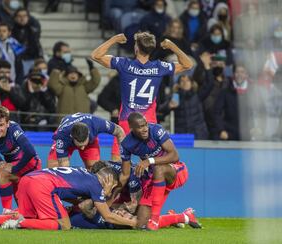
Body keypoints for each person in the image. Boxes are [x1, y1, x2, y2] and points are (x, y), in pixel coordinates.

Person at [90, 31, 193, 161]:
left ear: (136, 48)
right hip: (148, 124)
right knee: (148, 163)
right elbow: (188, 64)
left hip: (127, 121)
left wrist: (114, 39)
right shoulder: (159, 67)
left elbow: (95, 55)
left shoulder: (124, 64)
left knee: (117, 162)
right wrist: (173, 46)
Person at [0, 166, 137, 230]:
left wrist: (76, 204)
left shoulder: (82, 173)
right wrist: (133, 224)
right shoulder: (96, 184)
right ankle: (18, 224)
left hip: (28, 180)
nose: (109, 190)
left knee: (31, 219)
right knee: (64, 225)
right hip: (44, 186)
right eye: (112, 186)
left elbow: (70, 193)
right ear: (107, 179)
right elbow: (108, 216)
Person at [119, 112, 199, 230]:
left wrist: (149, 161)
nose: (145, 129)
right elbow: (125, 174)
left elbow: (175, 155)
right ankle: (184, 217)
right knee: (141, 224)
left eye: (145, 125)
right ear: (131, 127)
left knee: (159, 168)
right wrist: (112, 197)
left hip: (175, 170)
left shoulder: (156, 130)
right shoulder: (126, 144)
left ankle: (155, 219)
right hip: (155, 179)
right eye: (140, 127)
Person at [0, 106, 42, 213]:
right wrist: (0, 161)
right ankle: (9, 214)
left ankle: (6, 212)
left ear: (7, 123)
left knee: (2, 173)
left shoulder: (14, 130)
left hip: (30, 165)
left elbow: (30, 152)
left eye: (1, 125)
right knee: (26, 211)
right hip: (13, 166)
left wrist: (14, 168)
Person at [47, 113, 125, 169]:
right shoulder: (62, 136)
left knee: (94, 168)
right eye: (80, 146)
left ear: (88, 134)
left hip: (90, 142)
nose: (82, 148)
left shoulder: (97, 124)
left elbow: (120, 131)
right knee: (54, 168)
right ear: (72, 137)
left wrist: (124, 156)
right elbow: (64, 167)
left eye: (84, 144)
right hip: (67, 140)